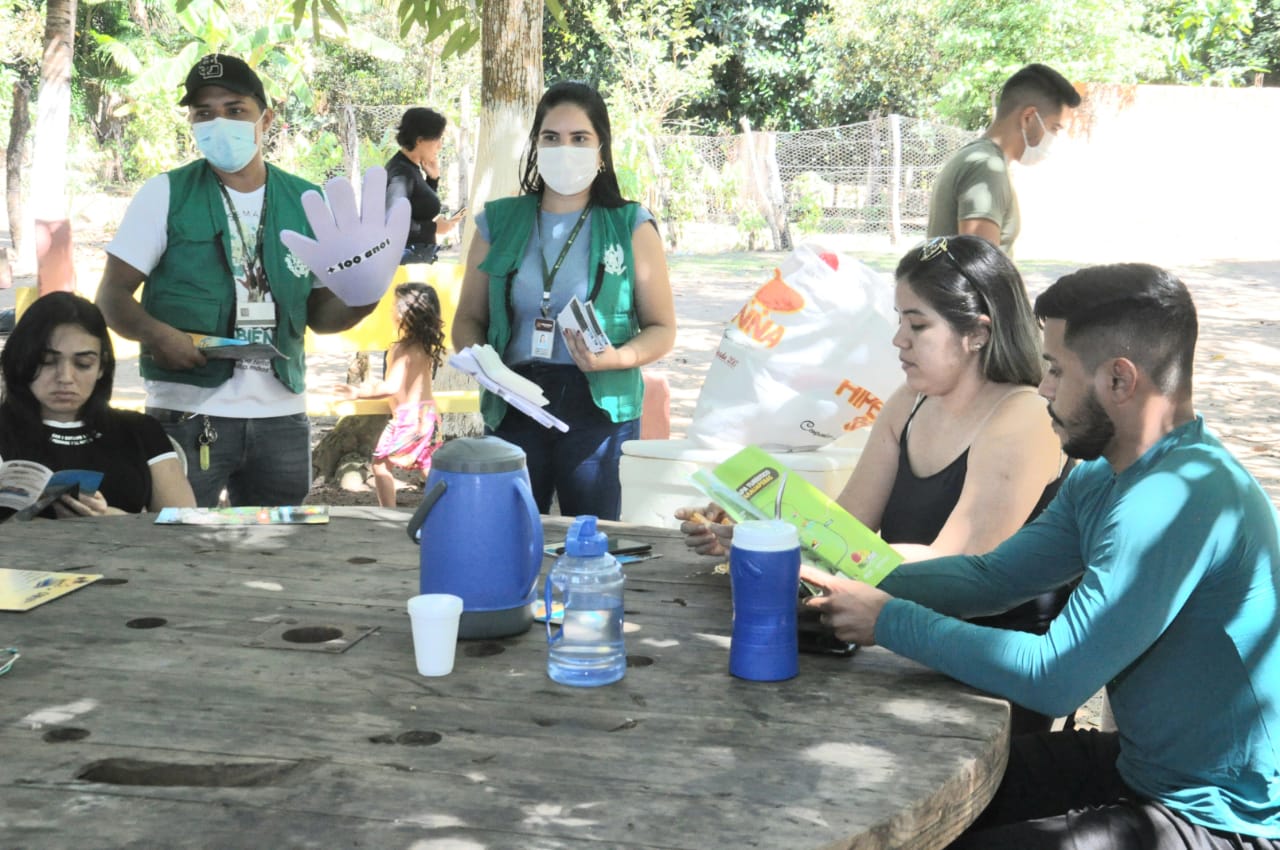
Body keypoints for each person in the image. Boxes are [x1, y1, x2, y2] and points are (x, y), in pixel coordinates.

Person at [805, 263, 1280, 849]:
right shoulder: (1105, 475)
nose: (1044, 389)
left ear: (1119, 379)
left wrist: (886, 619)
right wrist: (828, 575)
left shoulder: (1175, 499)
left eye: (1055, 369)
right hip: (1141, 766)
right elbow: (991, 579)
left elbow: (1054, 679)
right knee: (901, 794)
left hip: (1219, 817)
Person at [679, 234, 1068, 729]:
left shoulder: (1024, 416)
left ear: (977, 332)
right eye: (899, 320)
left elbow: (959, 569)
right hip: (900, 644)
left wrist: (787, 549)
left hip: (987, 672)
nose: (898, 340)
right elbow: (846, 525)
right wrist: (751, 532)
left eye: (918, 325)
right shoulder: (911, 401)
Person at [95, 53, 387, 508]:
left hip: (282, 417)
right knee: (182, 540)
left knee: (277, 541)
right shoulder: (165, 194)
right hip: (188, 412)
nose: (219, 124)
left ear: (265, 119)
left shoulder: (306, 201)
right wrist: (157, 335)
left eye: (235, 110)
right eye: (204, 113)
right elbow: (111, 296)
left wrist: (364, 296)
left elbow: (320, 317)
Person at [452, 81, 677, 521]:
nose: (564, 149)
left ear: (601, 149)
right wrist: (484, 366)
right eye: (551, 137)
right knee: (510, 530)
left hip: (598, 406)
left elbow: (663, 328)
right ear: (536, 145)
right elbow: (468, 318)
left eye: (579, 138)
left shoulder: (630, 225)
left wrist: (616, 358)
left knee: (592, 537)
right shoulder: (497, 222)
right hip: (515, 398)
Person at [0, 292, 196, 516]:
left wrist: (114, 519)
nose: (65, 377)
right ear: (22, 360)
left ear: (101, 367)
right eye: (47, 361)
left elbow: (185, 523)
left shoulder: (141, 431)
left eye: (83, 363)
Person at [926, 63, 1082, 254]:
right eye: (1054, 128)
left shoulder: (979, 159)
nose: (1054, 138)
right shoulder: (986, 167)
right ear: (1028, 117)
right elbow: (980, 265)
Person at [333, 283, 445, 507]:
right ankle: (447, 507)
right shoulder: (423, 346)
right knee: (427, 465)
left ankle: (389, 511)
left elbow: (391, 387)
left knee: (381, 464)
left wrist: (357, 392)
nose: (390, 309)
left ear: (404, 313)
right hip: (427, 415)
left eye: (394, 305)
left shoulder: (403, 349)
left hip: (408, 419)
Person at [385, 107, 465, 265]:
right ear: (419, 140)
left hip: (416, 258)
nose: (440, 146)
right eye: (437, 139)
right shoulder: (402, 172)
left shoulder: (409, 168)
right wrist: (434, 228)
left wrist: (432, 179)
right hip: (407, 262)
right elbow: (393, 220)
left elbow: (418, 208)